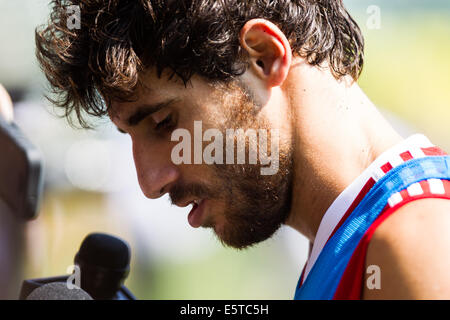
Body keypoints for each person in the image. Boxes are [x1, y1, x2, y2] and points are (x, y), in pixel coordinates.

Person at [35, 0, 450, 299]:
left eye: (164, 124)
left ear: (265, 57)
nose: (149, 183)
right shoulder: (349, 237)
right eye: (130, 136)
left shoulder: (416, 240)